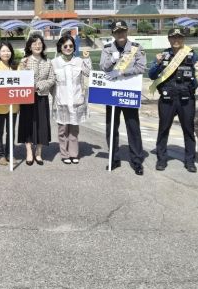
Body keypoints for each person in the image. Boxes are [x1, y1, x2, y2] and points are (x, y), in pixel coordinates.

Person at [148, 27, 198, 172]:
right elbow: (151, 75)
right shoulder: (162, 55)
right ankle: (161, 159)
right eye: (173, 37)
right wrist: (157, 63)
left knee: (188, 130)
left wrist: (189, 88)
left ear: (183, 38)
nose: (176, 40)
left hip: (186, 99)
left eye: (179, 37)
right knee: (163, 129)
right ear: (169, 39)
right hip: (167, 98)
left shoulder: (193, 55)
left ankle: (190, 161)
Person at [99, 20, 147, 175]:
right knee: (111, 126)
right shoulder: (107, 48)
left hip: (129, 92)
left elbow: (141, 67)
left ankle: (137, 160)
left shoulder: (136, 48)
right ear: (113, 33)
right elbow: (103, 67)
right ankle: (113, 158)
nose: (120, 33)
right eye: (117, 31)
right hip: (112, 92)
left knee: (133, 127)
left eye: (123, 30)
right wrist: (112, 60)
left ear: (127, 31)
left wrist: (122, 72)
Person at [51, 34, 92, 164]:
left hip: (76, 101)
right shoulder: (54, 62)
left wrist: (87, 58)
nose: (68, 48)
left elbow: (88, 73)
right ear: (60, 47)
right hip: (61, 101)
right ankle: (64, 154)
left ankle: (74, 154)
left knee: (74, 130)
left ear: (74, 47)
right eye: (65, 46)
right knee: (62, 130)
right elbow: (51, 81)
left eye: (71, 46)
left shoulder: (79, 61)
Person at [17, 33, 55, 166]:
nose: (37, 46)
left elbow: (52, 79)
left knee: (42, 125)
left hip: (42, 97)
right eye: (34, 44)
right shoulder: (24, 60)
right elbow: (19, 78)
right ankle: (29, 151)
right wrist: (23, 67)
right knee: (27, 123)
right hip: (27, 97)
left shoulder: (48, 61)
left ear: (43, 46)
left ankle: (38, 152)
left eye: (40, 44)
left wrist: (38, 86)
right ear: (29, 46)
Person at [0, 41, 20, 165]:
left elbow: (21, 82)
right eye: (3, 51)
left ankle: (9, 153)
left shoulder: (16, 66)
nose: (6, 53)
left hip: (13, 105)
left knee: (11, 131)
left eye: (8, 50)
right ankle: (0, 155)